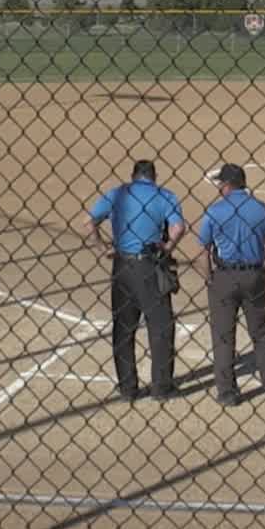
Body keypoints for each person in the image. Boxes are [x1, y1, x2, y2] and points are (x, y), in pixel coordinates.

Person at [87, 159, 186, 403]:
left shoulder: (117, 194)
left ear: (133, 176)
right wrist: (167, 246)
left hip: (121, 266)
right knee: (161, 324)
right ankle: (162, 387)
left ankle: (127, 389)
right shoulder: (165, 195)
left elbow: (88, 221)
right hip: (149, 265)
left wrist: (102, 248)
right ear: (154, 176)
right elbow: (178, 228)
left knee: (123, 327)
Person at [195, 163, 265, 405]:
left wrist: (210, 278)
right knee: (261, 333)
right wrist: (264, 274)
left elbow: (203, 251)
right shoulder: (262, 209)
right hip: (254, 274)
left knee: (223, 336)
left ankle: (228, 391)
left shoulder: (214, 212)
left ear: (226, 185)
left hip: (224, 276)